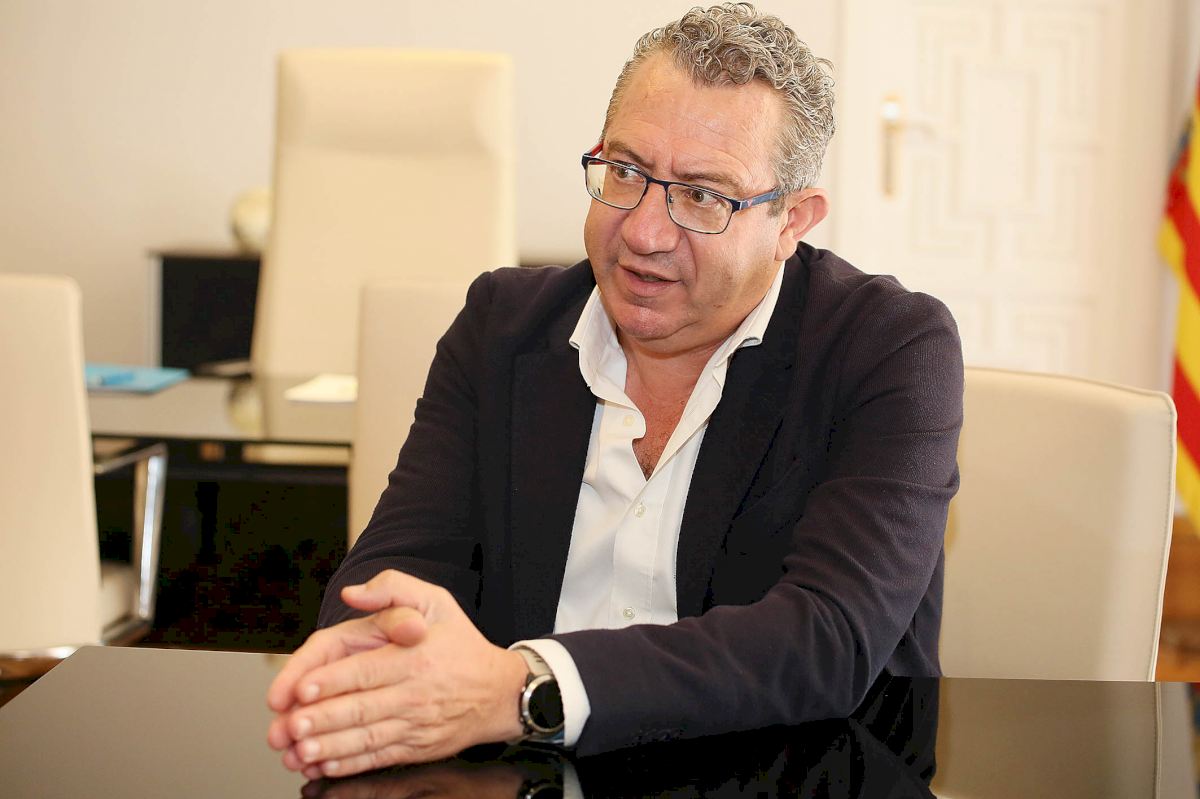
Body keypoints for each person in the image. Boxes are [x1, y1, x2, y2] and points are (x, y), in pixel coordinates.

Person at [267, 2, 963, 780]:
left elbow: (827, 639)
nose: (643, 232)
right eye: (626, 172)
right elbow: (398, 569)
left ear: (791, 221)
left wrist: (526, 686)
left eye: (702, 196)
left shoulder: (888, 348)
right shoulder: (502, 327)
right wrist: (381, 650)